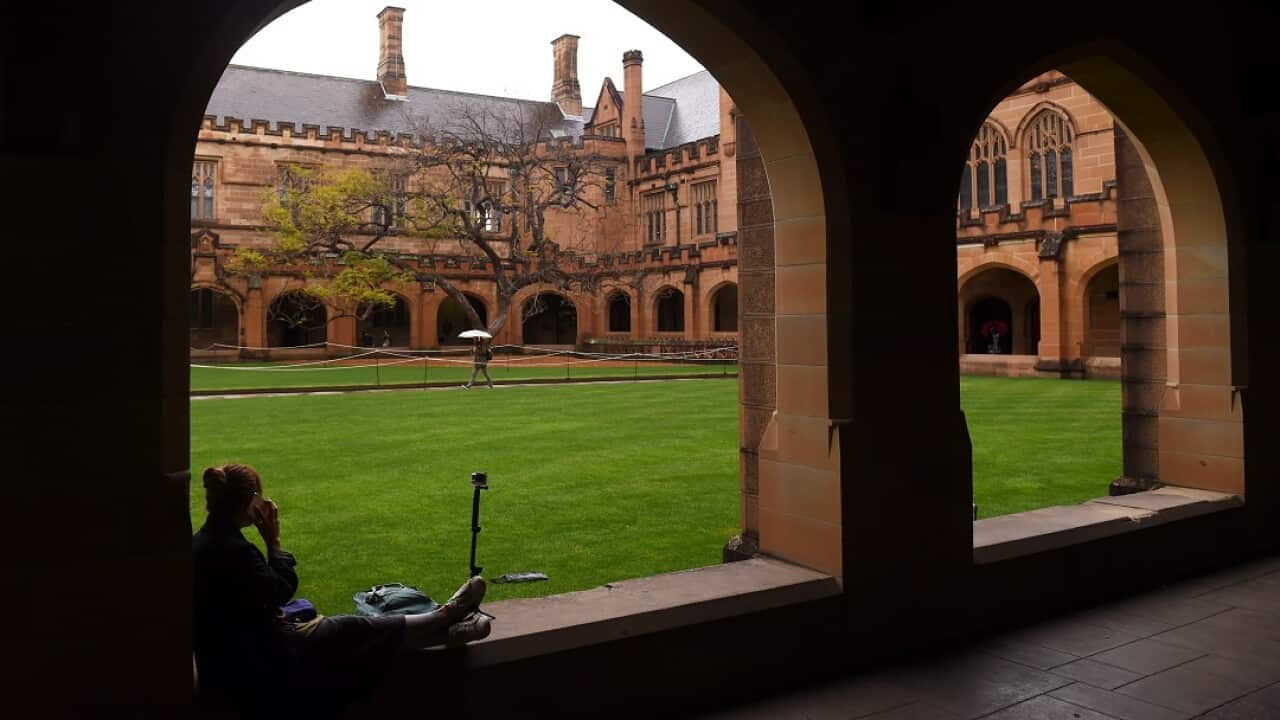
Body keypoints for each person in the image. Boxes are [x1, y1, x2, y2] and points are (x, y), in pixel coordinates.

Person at [192, 463, 490, 716]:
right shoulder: (236, 550)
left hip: (231, 658)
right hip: (262, 659)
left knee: (356, 632)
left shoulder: (204, 541)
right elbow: (280, 590)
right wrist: (274, 543)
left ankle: (446, 630)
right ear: (251, 501)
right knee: (354, 629)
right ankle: (444, 618)